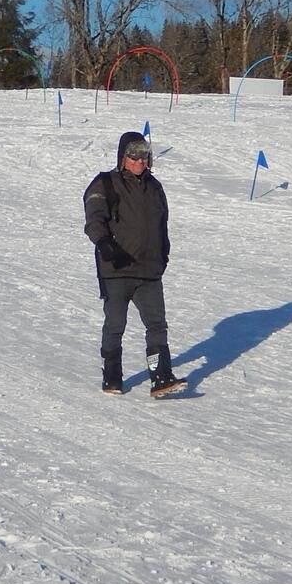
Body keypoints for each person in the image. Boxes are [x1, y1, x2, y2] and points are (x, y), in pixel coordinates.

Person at [83, 131, 186, 396]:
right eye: (134, 155)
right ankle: (112, 377)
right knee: (115, 324)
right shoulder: (105, 184)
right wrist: (104, 244)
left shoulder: (155, 187)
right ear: (122, 157)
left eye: (144, 155)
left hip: (150, 270)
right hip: (117, 269)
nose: (140, 161)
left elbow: (161, 225)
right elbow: (94, 219)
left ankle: (161, 376)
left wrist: (163, 254)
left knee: (157, 325)